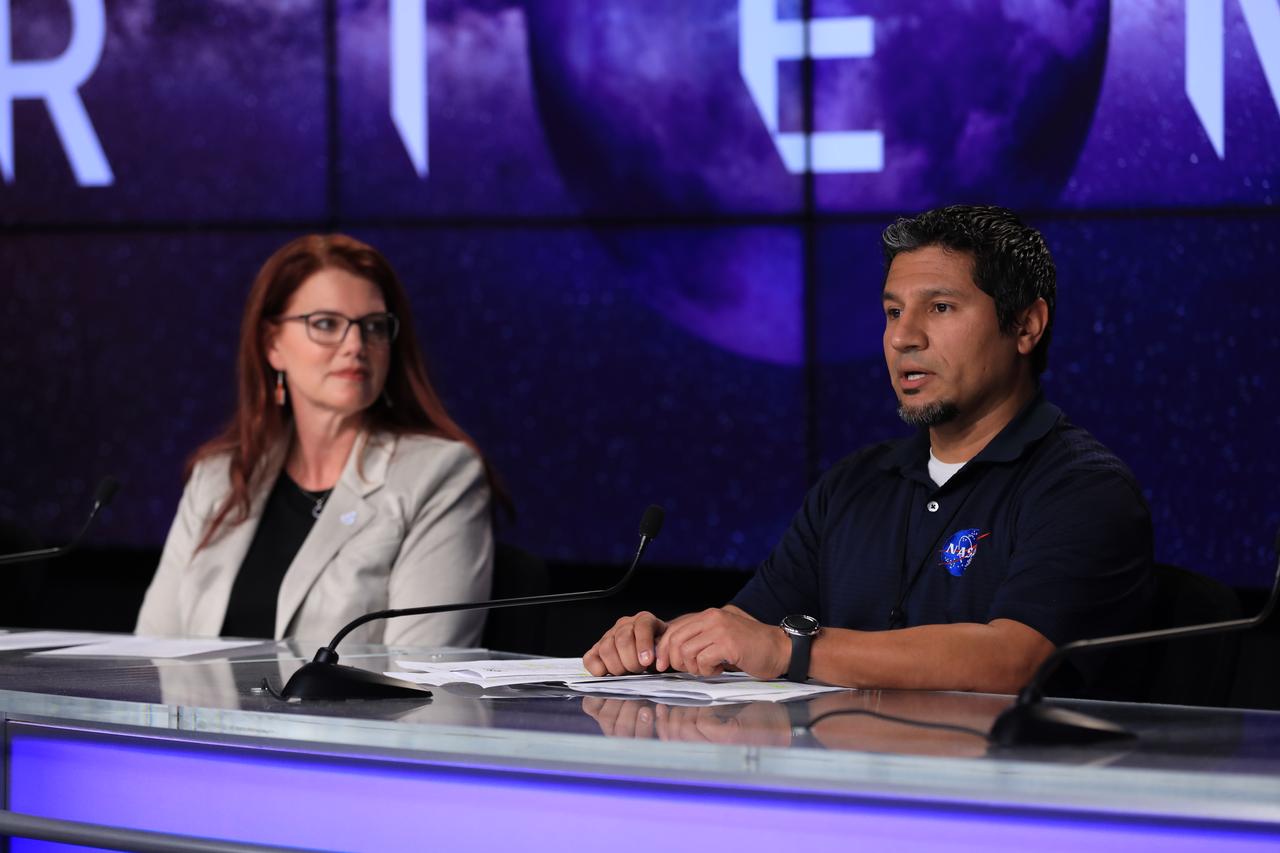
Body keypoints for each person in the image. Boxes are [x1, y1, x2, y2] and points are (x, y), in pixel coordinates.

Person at [584, 205, 1153, 695]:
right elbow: (747, 625)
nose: (904, 337)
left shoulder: (1084, 488)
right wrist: (668, 640)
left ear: (1025, 325)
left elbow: (1014, 659)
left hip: (1016, 806)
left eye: (940, 308)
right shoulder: (855, 485)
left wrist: (792, 652)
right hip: (849, 797)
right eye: (892, 312)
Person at [137, 234, 499, 647]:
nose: (355, 345)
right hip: (202, 714)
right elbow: (149, 657)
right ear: (272, 345)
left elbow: (421, 677)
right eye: (326, 324)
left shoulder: (439, 473)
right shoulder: (218, 477)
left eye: (374, 327)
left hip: (357, 716)